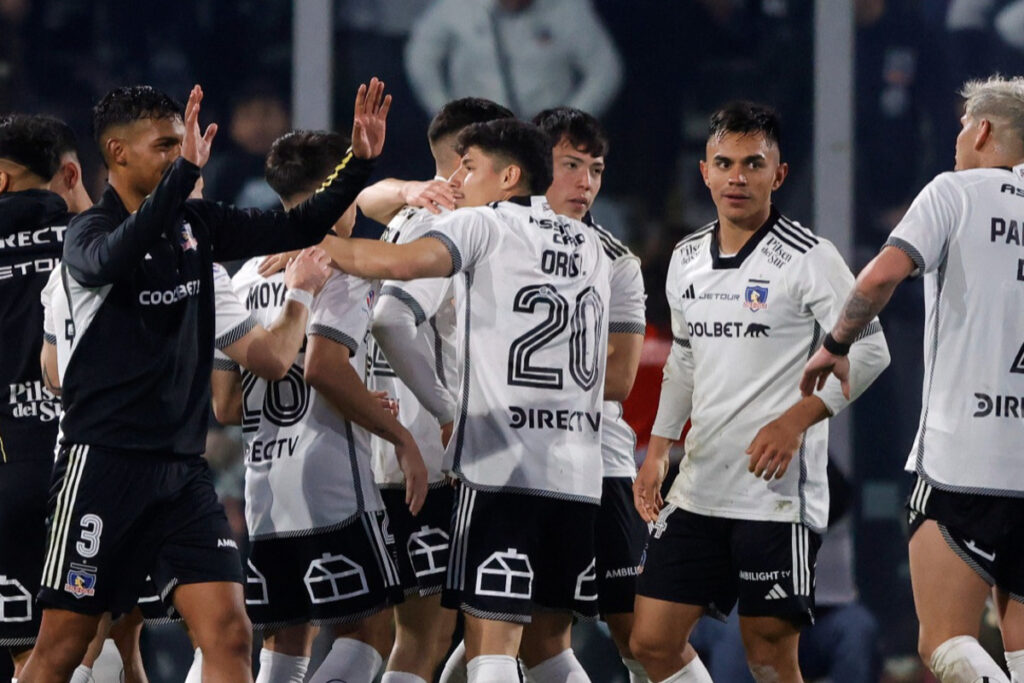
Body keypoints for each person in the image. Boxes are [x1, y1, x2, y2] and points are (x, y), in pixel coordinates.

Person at [18, 78, 389, 683]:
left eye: (181, 145)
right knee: (64, 645)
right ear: (117, 153)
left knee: (229, 633)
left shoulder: (197, 226)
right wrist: (181, 177)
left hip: (183, 473)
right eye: (164, 145)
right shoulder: (86, 237)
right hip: (103, 469)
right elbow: (112, 258)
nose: (179, 155)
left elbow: (299, 225)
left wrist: (359, 163)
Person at [324, 118, 610, 683]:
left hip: (500, 465)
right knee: (548, 648)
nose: (457, 180)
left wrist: (314, 240)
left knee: (491, 646)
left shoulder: (481, 223)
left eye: (470, 167)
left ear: (507, 176)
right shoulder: (592, 243)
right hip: (578, 476)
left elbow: (397, 267)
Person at [631, 101, 890, 683]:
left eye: (753, 164)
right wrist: (658, 447)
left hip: (775, 499)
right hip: (699, 487)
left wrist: (795, 421)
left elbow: (871, 351)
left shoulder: (810, 258)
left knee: (769, 660)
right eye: (724, 163)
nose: (737, 177)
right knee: (650, 642)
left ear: (780, 174)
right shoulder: (686, 257)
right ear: (704, 171)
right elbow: (684, 359)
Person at [801, 74, 1024, 683]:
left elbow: (878, 278)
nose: (955, 138)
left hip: (964, 459)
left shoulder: (954, 192)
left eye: (960, 127)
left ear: (982, 129)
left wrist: (837, 342)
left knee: (944, 642)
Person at [213, 129, 427, 683]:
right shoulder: (343, 268)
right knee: (371, 632)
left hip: (265, 493)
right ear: (339, 191)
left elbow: (225, 404)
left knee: (286, 639)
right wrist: (397, 434)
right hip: (334, 486)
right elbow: (324, 368)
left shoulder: (244, 276)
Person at [360, 97, 514, 683]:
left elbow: (364, 199)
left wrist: (400, 189)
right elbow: (392, 320)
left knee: (450, 632)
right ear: (464, 164)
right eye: (492, 160)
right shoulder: (448, 226)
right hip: (435, 454)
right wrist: (448, 412)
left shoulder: (409, 216)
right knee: (430, 636)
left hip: (404, 451)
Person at [530, 106, 648, 682]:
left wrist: (520, 379)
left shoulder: (618, 262)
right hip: (519, 465)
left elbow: (621, 377)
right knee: (526, 634)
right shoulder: (493, 239)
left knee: (641, 638)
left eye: (596, 169)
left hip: (599, 463)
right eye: (570, 165)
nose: (586, 183)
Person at [0, 113, 84, 681]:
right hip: (90, 458)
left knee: (31, 653)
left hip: (8, 466)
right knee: (94, 635)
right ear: (69, 173)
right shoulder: (95, 242)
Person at [404, 0, 623, 120]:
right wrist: (443, 112)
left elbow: (605, 69)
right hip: (476, 132)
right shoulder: (457, 6)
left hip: (544, 137)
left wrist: (568, 122)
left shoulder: (568, 8)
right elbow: (421, 55)